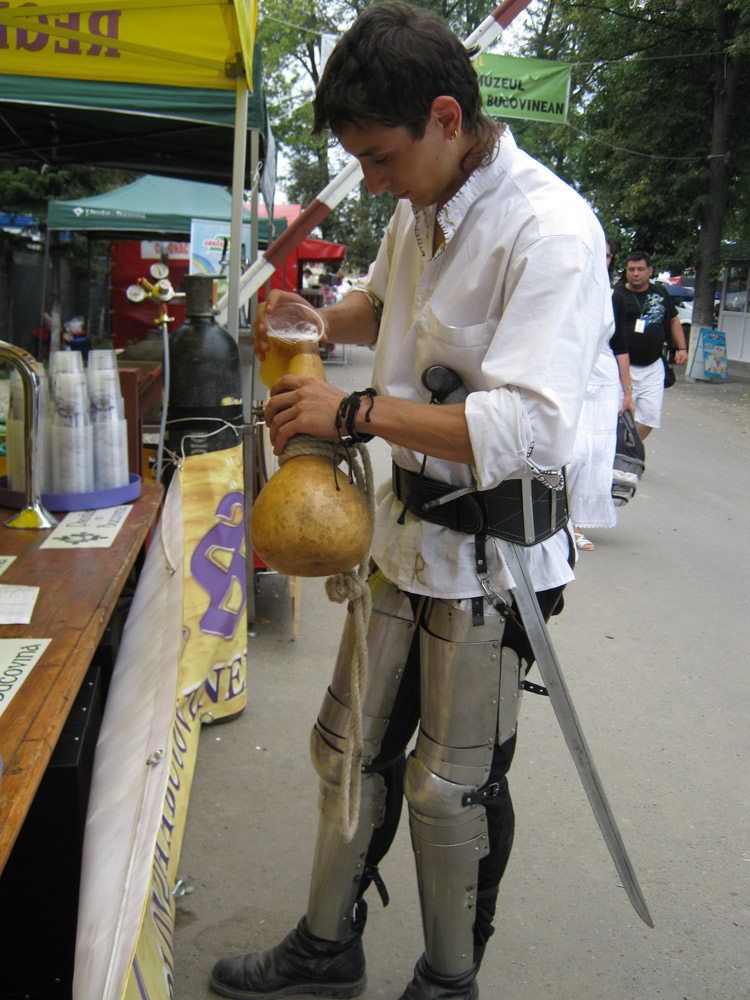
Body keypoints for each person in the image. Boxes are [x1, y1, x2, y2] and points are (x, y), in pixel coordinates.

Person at [210, 5, 612, 1000]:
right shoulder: (416, 208)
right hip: (402, 540)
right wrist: (315, 317)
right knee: (346, 748)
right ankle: (324, 946)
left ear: (446, 116)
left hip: (493, 560)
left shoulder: (550, 229)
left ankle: (448, 978)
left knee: (448, 788)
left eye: (382, 159)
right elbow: (384, 309)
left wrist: (354, 409)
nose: (374, 182)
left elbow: (529, 432)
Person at [567, 237, 634, 552]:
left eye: (608, 256)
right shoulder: (567, 287)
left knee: (595, 454)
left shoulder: (615, 297)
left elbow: (619, 343)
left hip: (605, 380)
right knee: (573, 450)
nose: (602, 260)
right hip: (572, 374)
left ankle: (575, 524)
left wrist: (627, 389)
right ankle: (554, 519)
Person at [611, 251, 687, 441]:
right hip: (621, 368)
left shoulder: (660, 293)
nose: (636, 273)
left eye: (641, 269)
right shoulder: (616, 295)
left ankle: (627, 449)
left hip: (653, 367)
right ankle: (615, 452)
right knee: (615, 415)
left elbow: (674, 321)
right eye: (631, 270)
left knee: (650, 418)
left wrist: (682, 348)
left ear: (650, 270)